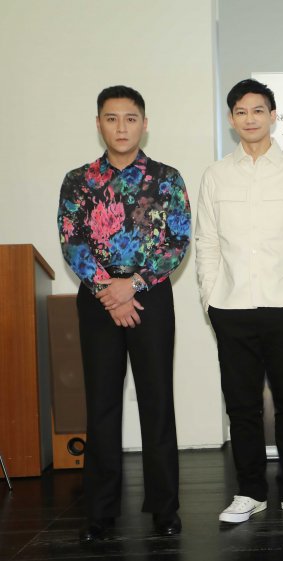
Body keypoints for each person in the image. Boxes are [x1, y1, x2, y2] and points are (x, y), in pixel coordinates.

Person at [57, 85, 190, 541]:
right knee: (102, 405)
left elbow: (177, 242)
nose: (121, 127)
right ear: (99, 124)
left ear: (144, 124)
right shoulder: (78, 180)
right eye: (111, 118)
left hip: (150, 297)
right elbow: (72, 242)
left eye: (130, 118)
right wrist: (107, 291)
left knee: (157, 402)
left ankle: (165, 508)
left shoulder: (167, 178)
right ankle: (100, 512)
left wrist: (130, 286)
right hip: (98, 304)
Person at [195, 79, 283, 525]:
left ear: (273, 115)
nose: (249, 119)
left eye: (258, 110)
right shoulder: (216, 175)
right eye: (241, 111)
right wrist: (210, 298)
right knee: (241, 405)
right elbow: (207, 242)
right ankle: (249, 491)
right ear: (231, 119)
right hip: (230, 307)